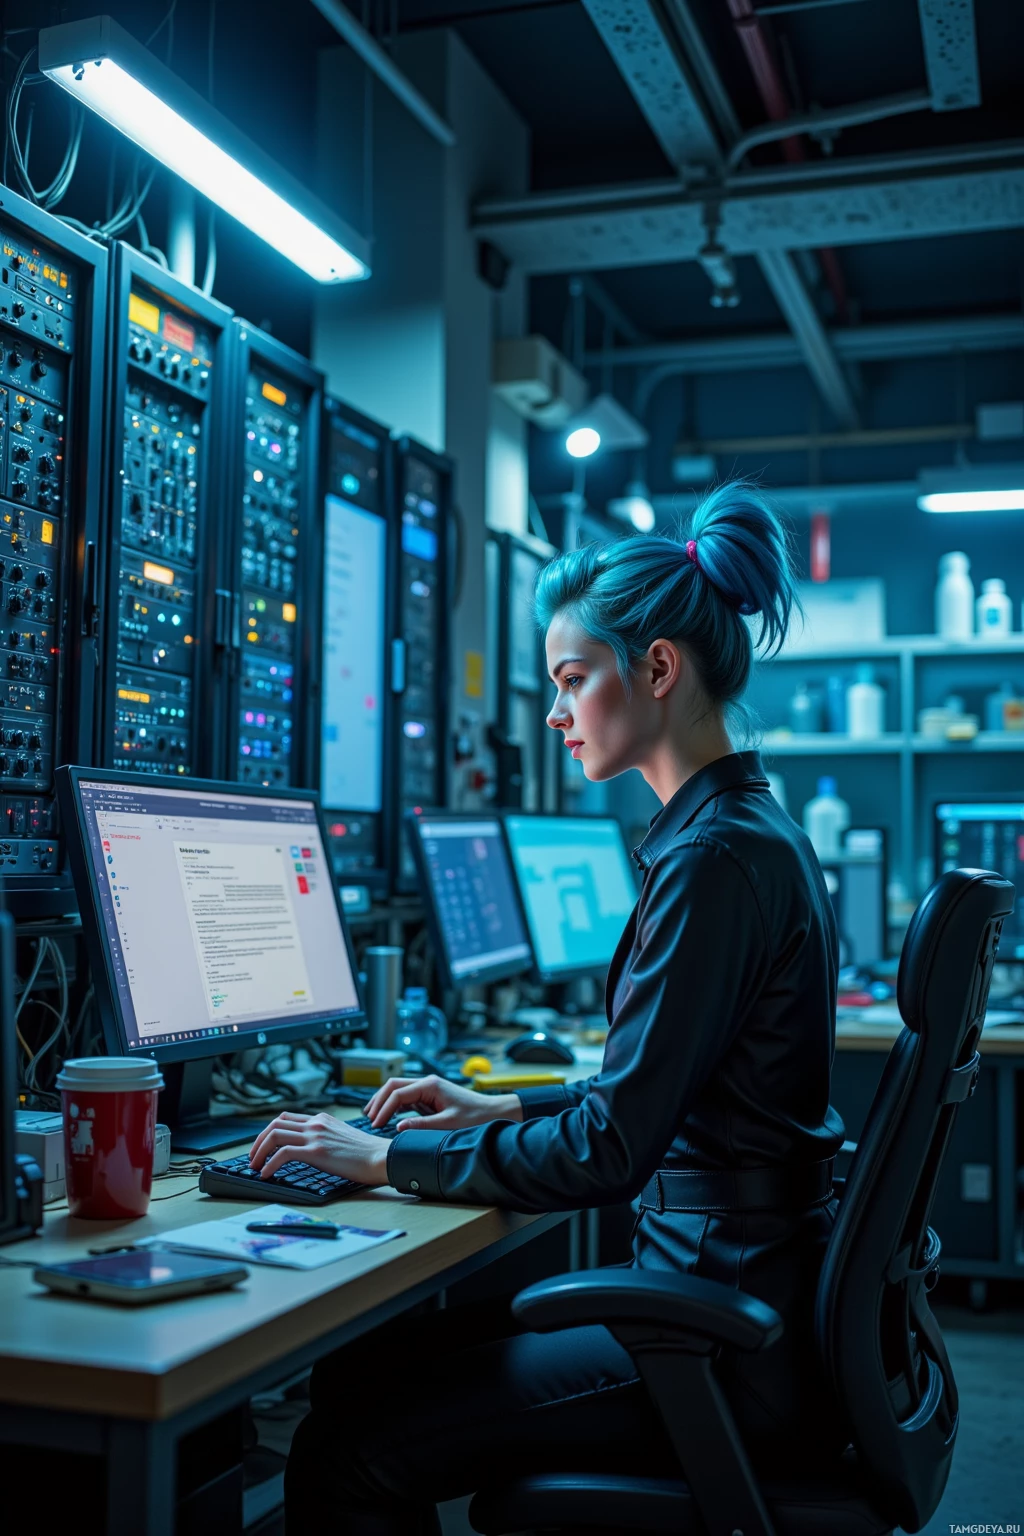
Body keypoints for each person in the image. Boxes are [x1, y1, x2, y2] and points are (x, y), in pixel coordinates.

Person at [251, 482, 847, 1535]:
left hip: (719, 1333)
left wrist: (386, 1160)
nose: (556, 714)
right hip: (745, 1298)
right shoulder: (746, 836)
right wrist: (499, 1112)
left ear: (656, 669)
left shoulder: (712, 861)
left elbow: (613, 1150)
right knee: (368, 1367)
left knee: (347, 1447)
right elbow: (662, 1088)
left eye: (574, 681)